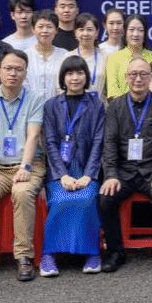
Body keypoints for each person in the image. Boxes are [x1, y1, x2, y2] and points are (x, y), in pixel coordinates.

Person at [98, 57, 152, 274]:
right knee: (105, 198)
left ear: (151, 78)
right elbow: (110, 143)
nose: (138, 79)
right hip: (123, 171)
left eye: (143, 74)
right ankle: (115, 251)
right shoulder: (115, 106)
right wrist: (111, 174)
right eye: (133, 74)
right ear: (126, 78)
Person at [0, 50, 46, 282]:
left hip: (30, 164)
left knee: (22, 193)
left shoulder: (35, 99)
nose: (13, 73)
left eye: (18, 69)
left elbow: (33, 135)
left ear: (25, 73)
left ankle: (24, 256)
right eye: (8, 68)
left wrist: (25, 166)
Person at [39, 56, 105, 277]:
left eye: (79, 73)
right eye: (69, 73)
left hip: (86, 168)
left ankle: (92, 253)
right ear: (62, 77)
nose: (75, 78)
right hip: (60, 171)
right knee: (59, 200)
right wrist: (62, 175)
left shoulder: (96, 105)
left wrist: (89, 175)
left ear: (86, 76)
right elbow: (49, 143)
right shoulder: (51, 105)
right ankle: (48, 254)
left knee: (87, 198)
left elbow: (98, 141)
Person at [105, 14, 152, 100]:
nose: (136, 34)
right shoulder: (113, 59)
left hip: (150, 106)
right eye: (131, 30)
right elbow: (113, 94)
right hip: (121, 107)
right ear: (125, 32)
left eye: (140, 30)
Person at [24, 9, 70, 100]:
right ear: (33, 29)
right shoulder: (25, 56)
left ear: (56, 30)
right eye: (40, 27)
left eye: (49, 27)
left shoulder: (64, 55)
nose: (45, 31)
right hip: (30, 106)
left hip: (57, 106)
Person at [72, 12, 107, 97]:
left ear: (97, 32)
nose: (85, 33)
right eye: (81, 29)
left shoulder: (106, 57)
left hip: (100, 104)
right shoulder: (68, 57)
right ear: (75, 33)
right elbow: (61, 88)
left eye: (89, 29)